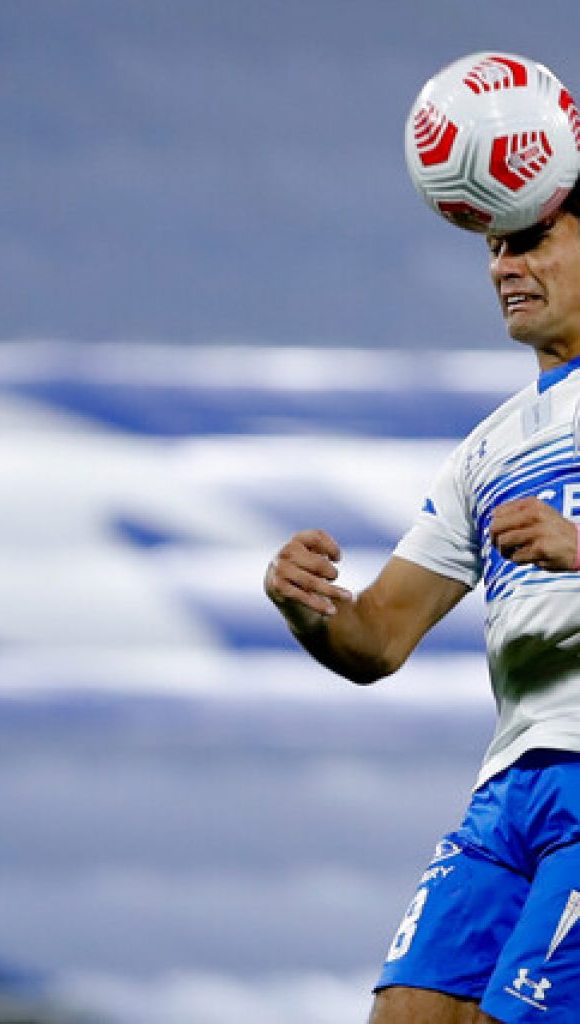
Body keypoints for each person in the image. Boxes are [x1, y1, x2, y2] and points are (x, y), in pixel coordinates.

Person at [264, 183, 580, 1024]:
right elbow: (379, 638)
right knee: (407, 1013)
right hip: (511, 788)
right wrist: (311, 607)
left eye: (531, 242)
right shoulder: (487, 449)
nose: (504, 268)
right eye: (493, 250)